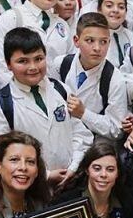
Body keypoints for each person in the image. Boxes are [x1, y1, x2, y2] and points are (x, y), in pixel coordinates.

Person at [0, 27, 92, 185]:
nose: (33, 67)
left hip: (71, 179)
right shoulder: (2, 103)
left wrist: (73, 166)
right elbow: (4, 154)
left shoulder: (60, 89)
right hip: (31, 186)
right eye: (23, 61)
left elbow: (80, 133)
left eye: (38, 59)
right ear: (9, 64)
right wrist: (46, 175)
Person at [0, 0, 73, 81]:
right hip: (19, 91)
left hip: (55, 91)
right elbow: (0, 66)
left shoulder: (62, 25)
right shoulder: (10, 19)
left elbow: (70, 64)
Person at [53, 12, 126, 141]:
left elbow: (116, 130)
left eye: (103, 42)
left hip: (91, 144)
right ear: (76, 41)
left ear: (109, 43)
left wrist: (84, 113)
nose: (97, 48)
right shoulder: (60, 64)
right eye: (90, 41)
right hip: (58, 135)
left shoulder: (114, 79)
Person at [97, 0, 133, 70]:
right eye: (109, 6)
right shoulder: (93, 37)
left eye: (121, 7)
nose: (115, 10)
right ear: (99, 10)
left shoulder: (132, 37)